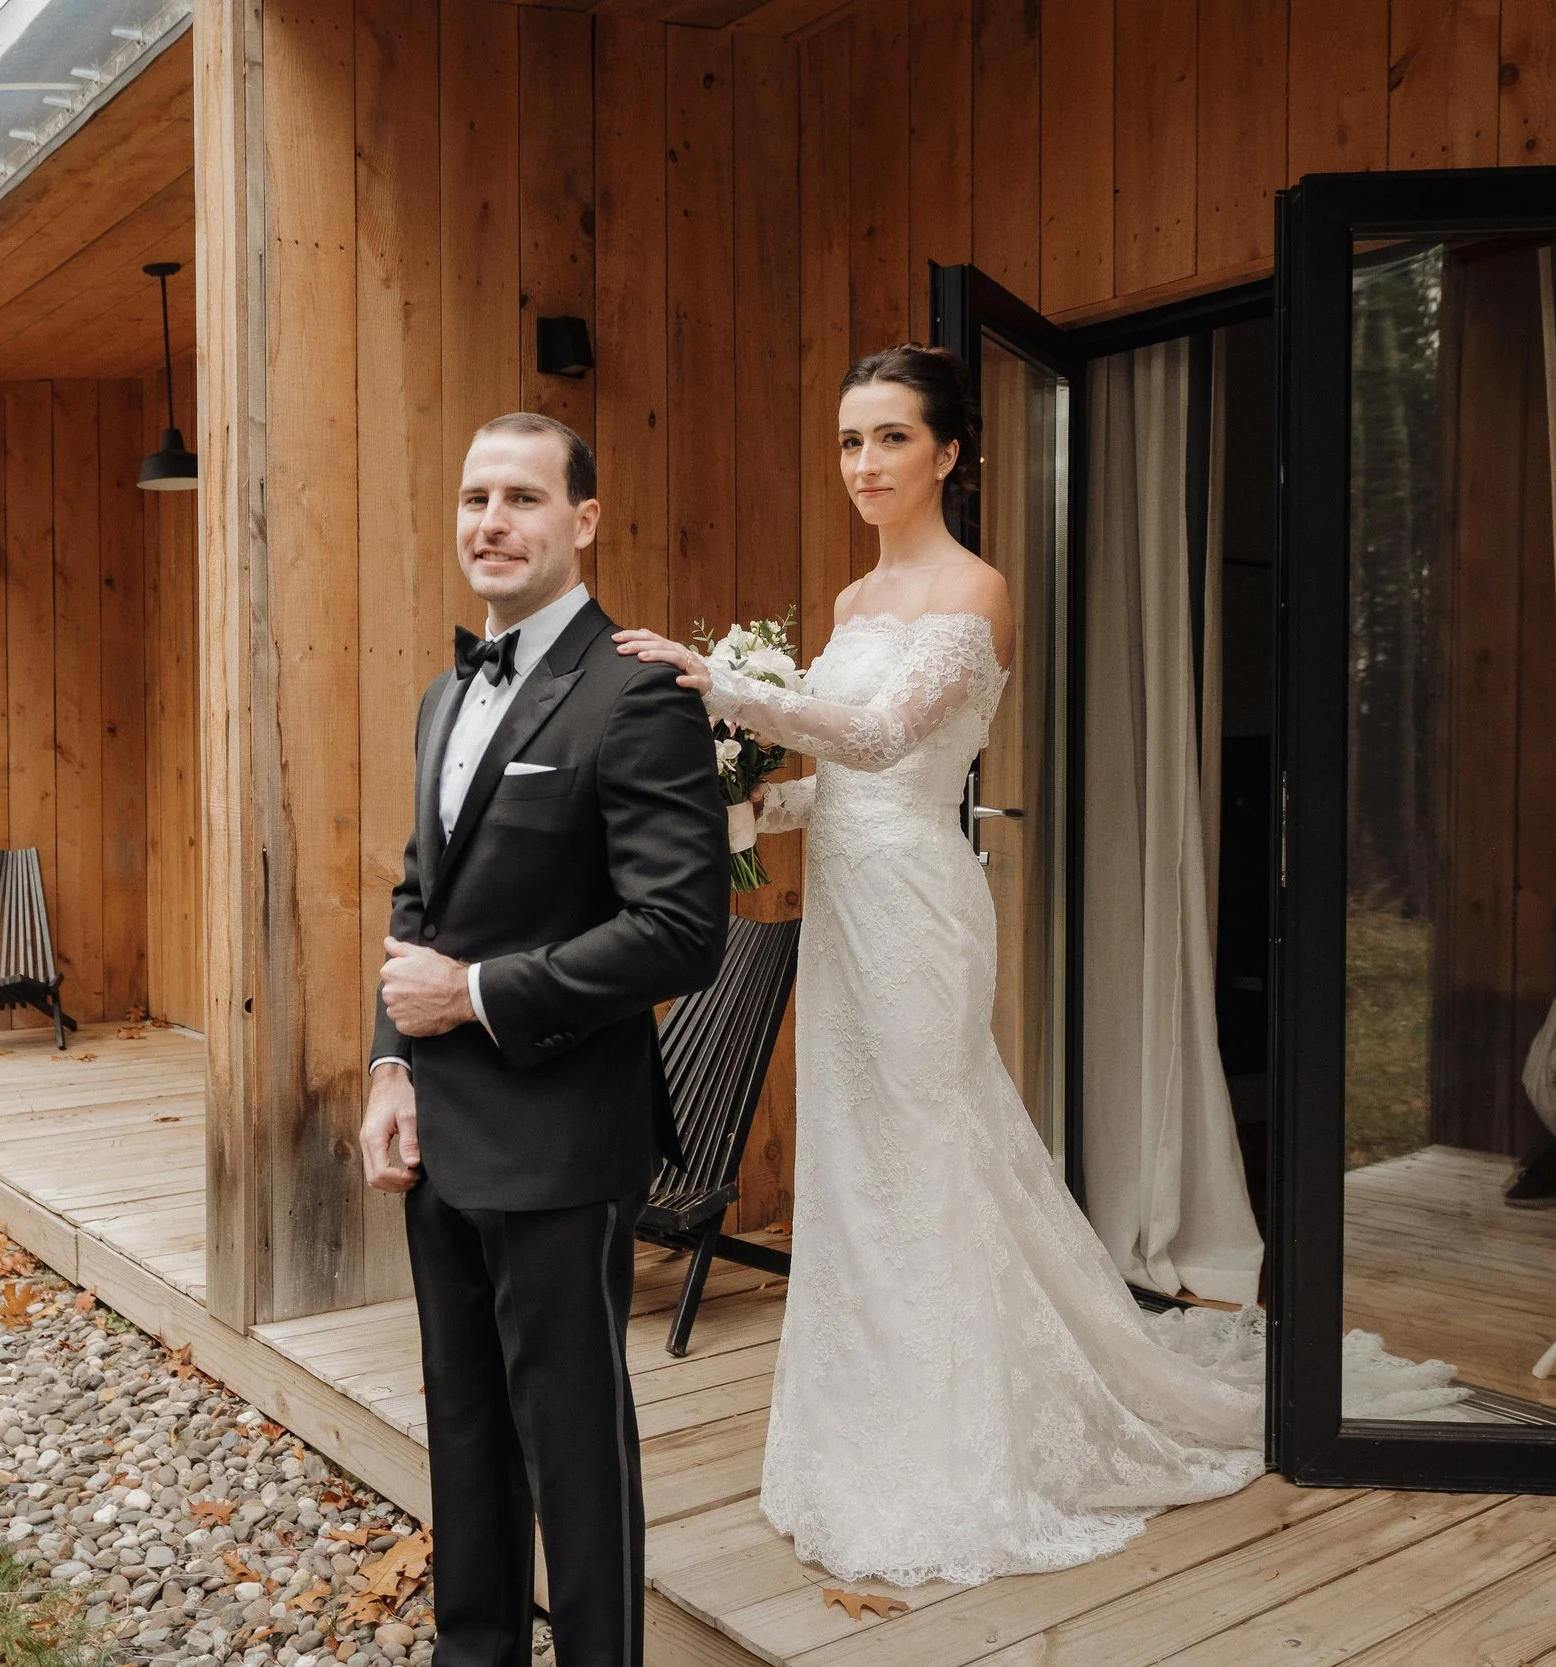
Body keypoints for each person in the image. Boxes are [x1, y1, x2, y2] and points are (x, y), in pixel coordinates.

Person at [614, 346, 1460, 1588]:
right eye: (849, 440)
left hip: (916, 911)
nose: (864, 464)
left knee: (928, 1157)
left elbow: (890, 736)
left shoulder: (978, 589)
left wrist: (724, 688)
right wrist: (741, 804)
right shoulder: (850, 608)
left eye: (891, 438)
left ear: (949, 452)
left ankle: (957, 1453)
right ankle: (864, 1434)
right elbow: (840, 781)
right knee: (862, 1171)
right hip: (850, 906)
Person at [364, 412, 729, 1666]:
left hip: (564, 1130)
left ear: (582, 520)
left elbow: (682, 932)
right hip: (439, 1129)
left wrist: (471, 997)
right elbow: (417, 899)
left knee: (573, 1449)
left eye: (522, 496)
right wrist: (389, 1065)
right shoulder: (440, 693)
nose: (491, 520)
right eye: (474, 496)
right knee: (462, 1430)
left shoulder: (638, 695)